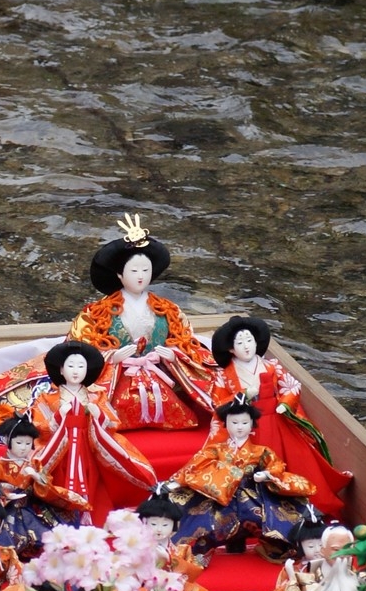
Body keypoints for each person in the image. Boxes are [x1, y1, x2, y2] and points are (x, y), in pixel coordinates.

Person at [68, 215, 214, 430]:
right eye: (133, 271)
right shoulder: (96, 312)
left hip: (160, 376)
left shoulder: (168, 309)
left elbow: (185, 340)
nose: (140, 277)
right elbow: (80, 345)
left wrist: (174, 355)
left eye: (145, 271)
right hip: (117, 379)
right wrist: (111, 357)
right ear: (119, 274)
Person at [208, 315, 350, 513]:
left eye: (250, 340)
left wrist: (285, 403)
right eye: (240, 343)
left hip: (276, 419)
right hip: (247, 426)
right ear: (231, 349)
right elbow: (217, 402)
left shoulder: (271, 365)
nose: (246, 346)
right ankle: (252, 509)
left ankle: (307, 504)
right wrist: (242, 397)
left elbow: (292, 386)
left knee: (297, 459)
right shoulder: (224, 375)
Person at [177, 395, 326, 559]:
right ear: (225, 424)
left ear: (252, 424)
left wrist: (267, 474)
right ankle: (205, 551)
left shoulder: (260, 451)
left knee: (264, 517)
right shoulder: (215, 450)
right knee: (215, 522)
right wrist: (174, 483)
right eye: (234, 423)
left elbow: (276, 465)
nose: (239, 427)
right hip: (222, 496)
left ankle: (273, 545)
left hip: (253, 493)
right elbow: (194, 466)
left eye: (244, 423)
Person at [28, 339, 157, 524]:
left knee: (93, 480)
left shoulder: (97, 395)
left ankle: (90, 516)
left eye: (81, 366)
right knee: (60, 480)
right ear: (61, 369)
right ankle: (61, 517)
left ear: (87, 370)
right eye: (70, 365)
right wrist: (59, 416)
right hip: (61, 449)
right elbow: (39, 427)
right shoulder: (47, 397)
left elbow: (113, 424)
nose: (75, 370)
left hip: (89, 445)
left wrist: (99, 415)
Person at [0, 413, 75, 554]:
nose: (23, 447)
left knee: (51, 533)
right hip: (6, 508)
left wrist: (37, 477)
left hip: (29, 506)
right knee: (2, 535)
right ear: (8, 441)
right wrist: (5, 494)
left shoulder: (35, 463)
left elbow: (46, 486)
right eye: (19, 443)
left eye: (27, 443)